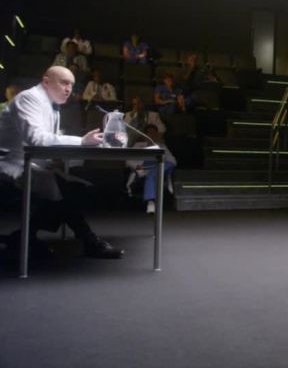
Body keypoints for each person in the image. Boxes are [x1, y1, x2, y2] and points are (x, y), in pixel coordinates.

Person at [0, 66, 124, 259]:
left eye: (71, 85)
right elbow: (37, 140)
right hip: (9, 164)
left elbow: (48, 141)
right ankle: (89, 241)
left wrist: (85, 143)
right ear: (46, 81)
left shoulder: (51, 106)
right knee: (66, 191)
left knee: (77, 189)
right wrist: (81, 141)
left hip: (31, 164)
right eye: (64, 83)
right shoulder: (28, 98)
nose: (69, 89)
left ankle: (23, 237)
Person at [126, 124, 177, 215]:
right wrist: (140, 169)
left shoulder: (161, 146)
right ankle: (151, 201)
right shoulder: (138, 146)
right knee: (151, 174)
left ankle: (151, 202)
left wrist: (161, 164)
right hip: (145, 169)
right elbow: (128, 161)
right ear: (145, 134)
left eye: (154, 133)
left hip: (161, 167)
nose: (152, 135)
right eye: (150, 133)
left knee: (161, 167)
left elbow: (173, 161)